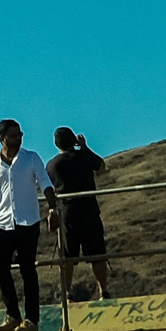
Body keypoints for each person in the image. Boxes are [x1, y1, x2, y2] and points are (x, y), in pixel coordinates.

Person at [0, 119, 47, 331]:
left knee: (28, 269)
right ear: (2, 139)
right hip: (2, 222)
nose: (18, 139)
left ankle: (32, 320)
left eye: (20, 134)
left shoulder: (31, 158)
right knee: (0, 268)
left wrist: (52, 210)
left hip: (28, 222)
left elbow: (46, 183)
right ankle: (13, 315)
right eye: (14, 135)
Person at [46, 126, 113, 304]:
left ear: (56, 144)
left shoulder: (52, 165)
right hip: (90, 211)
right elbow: (101, 167)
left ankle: (67, 294)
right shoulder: (83, 156)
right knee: (97, 254)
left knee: (67, 257)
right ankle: (103, 291)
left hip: (67, 214)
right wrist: (84, 147)